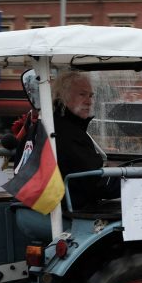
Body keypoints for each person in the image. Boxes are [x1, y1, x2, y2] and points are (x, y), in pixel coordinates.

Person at [52, 71, 120, 209]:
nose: (89, 101)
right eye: (82, 94)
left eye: (90, 96)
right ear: (62, 96)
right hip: (66, 209)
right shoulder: (67, 133)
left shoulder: (54, 124)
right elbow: (96, 183)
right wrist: (134, 183)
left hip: (53, 205)